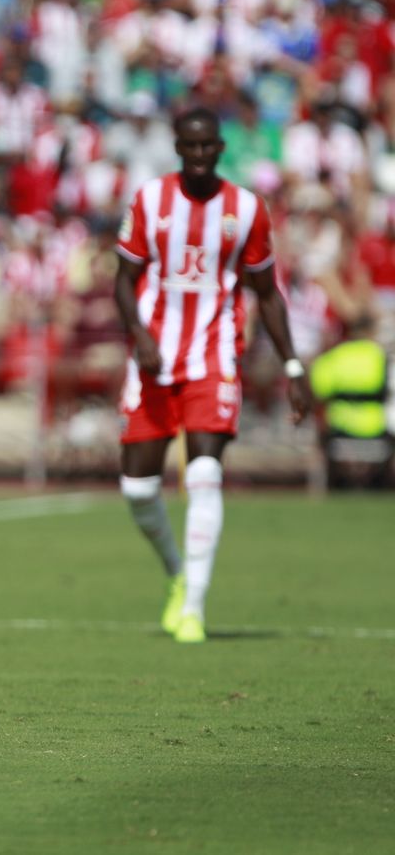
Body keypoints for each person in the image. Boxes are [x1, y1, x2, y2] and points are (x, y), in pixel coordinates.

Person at [113, 106, 311, 645]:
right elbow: (123, 281)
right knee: (136, 488)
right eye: (189, 147)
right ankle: (179, 573)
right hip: (154, 359)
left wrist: (293, 365)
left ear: (220, 149)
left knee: (204, 475)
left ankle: (194, 607)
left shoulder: (246, 209)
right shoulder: (150, 201)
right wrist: (141, 335)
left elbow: (266, 293)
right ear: (177, 148)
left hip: (214, 356)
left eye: (208, 147)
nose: (199, 156)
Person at [308, 315, 392, 488]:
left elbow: (318, 392)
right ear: (371, 332)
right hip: (375, 428)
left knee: (318, 435)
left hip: (340, 428)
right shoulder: (380, 356)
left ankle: (322, 489)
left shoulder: (334, 356)